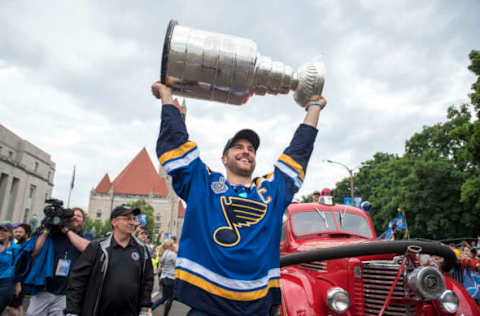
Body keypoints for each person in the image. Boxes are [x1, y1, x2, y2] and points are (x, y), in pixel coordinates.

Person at [152, 81, 326, 315]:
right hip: (205, 304)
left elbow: (298, 152)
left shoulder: (269, 191)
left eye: (251, 149)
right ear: (224, 159)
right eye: (238, 147)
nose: (246, 151)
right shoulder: (203, 183)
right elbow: (176, 143)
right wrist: (166, 95)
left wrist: (313, 108)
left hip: (255, 306)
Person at [65, 205, 154, 316]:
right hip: (98, 311)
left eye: (133, 219)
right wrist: (72, 311)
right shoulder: (97, 247)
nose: (132, 222)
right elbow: (78, 280)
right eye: (127, 219)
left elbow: (147, 281)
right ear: (114, 222)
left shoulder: (142, 250)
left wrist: (145, 307)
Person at [26, 207, 91, 316]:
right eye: (72, 215)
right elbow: (35, 250)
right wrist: (46, 228)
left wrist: (67, 230)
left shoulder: (85, 237)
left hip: (66, 292)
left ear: (83, 221)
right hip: (44, 289)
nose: (75, 217)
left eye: (79, 216)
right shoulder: (52, 234)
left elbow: (87, 248)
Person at [152, 238, 177, 316]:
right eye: (173, 244)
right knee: (170, 298)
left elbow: (162, 265)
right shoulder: (172, 254)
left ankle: (149, 310)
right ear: (170, 245)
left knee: (164, 298)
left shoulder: (164, 254)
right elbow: (177, 265)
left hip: (163, 278)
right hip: (170, 278)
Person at [0, 223, 21, 313]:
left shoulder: (15, 248)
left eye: (4, 230)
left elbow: (18, 267)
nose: (1, 232)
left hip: (6, 281)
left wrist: (18, 284)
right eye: (0, 230)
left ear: (10, 233)